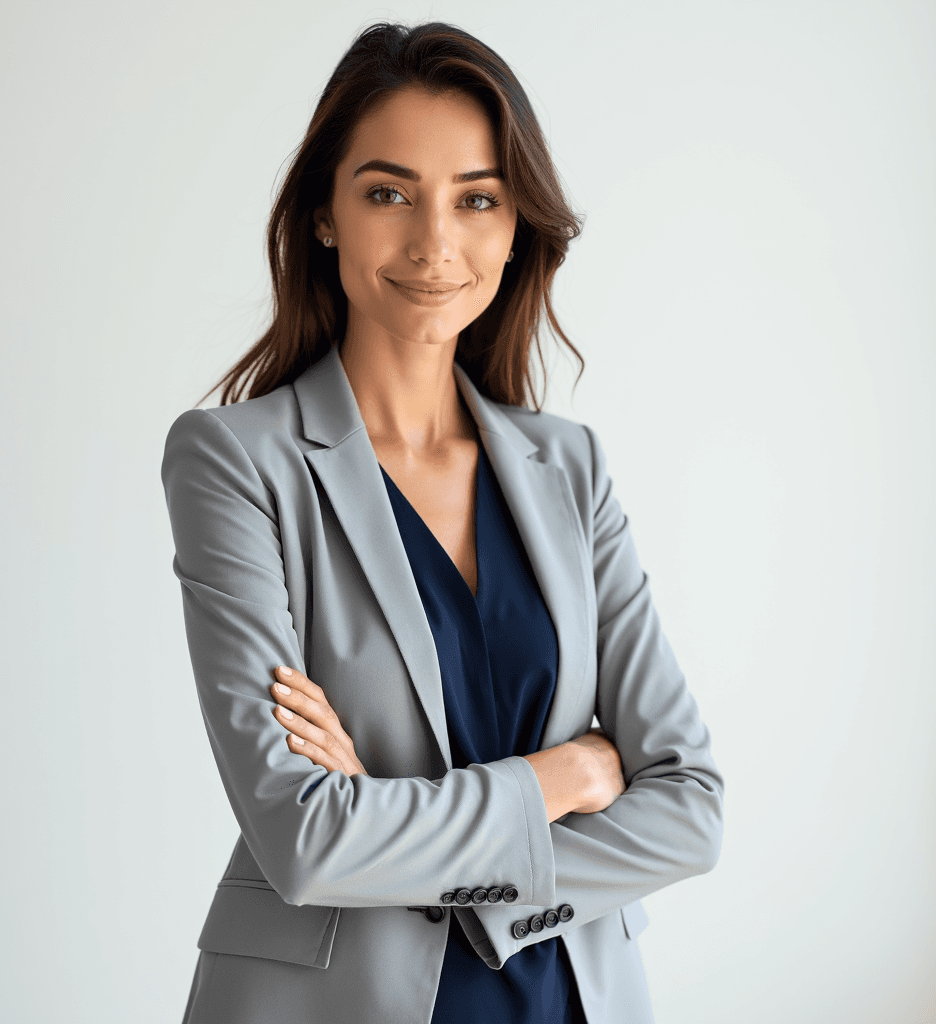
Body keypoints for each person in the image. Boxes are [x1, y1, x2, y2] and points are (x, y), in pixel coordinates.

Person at [161, 20, 724, 1024]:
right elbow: (307, 838)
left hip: (568, 992)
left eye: (476, 199)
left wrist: (426, 854)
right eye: (388, 193)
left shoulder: (569, 469)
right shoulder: (234, 462)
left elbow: (688, 808)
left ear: (516, 228)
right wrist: (565, 773)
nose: (434, 243)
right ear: (324, 214)